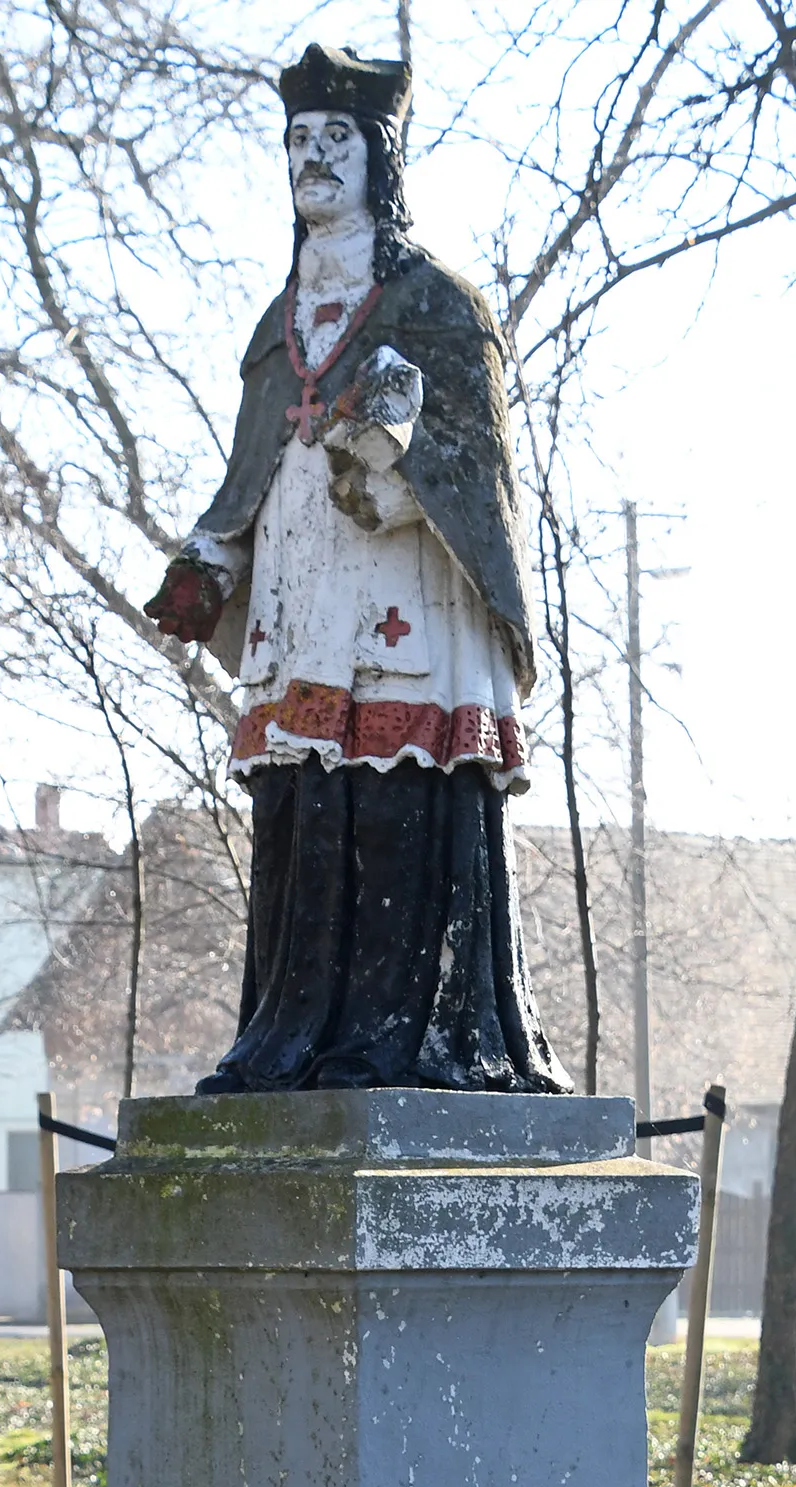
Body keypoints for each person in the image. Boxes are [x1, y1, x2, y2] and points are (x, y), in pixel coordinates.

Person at [144, 43, 570, 1097]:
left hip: (405, 598)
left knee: (395, 799)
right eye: (297, 142)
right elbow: (246, 469)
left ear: (381, 159)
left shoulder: (440, 306)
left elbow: (481, 475)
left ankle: (407, 1038)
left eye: (336, 140)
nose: (313, 159)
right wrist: (212, 554)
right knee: (304, 802)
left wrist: (393, 456)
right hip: (301, 595)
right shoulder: (273, 326)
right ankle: (290, 1038)